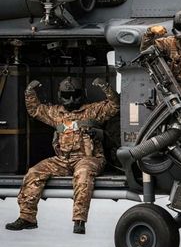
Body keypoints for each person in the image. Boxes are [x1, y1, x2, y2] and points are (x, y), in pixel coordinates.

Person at [5, 76, 119, 234]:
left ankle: (79, 220)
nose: (71, 100)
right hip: (63, 161)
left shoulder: (92, 111)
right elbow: (35, 109)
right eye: (66, 96)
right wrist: (29, 91)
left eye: (75, 95)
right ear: (60, 96)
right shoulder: (55, 113)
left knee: (83, 173)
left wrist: (105, 87)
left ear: (82, 94)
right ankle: (27, 217)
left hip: (89, 159)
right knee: (33, 173)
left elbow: (114, 105)